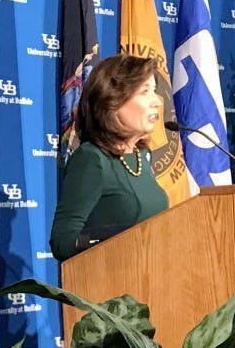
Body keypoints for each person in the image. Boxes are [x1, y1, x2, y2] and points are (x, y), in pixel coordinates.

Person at [50, 54, 169, 260]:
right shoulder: (92, 159)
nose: (156, 101)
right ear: (112, 101)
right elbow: (62, 241)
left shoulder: (141, 156)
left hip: (151, 279)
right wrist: (118, 238)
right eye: (145, 91)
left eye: (154, 90)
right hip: (110, 285)